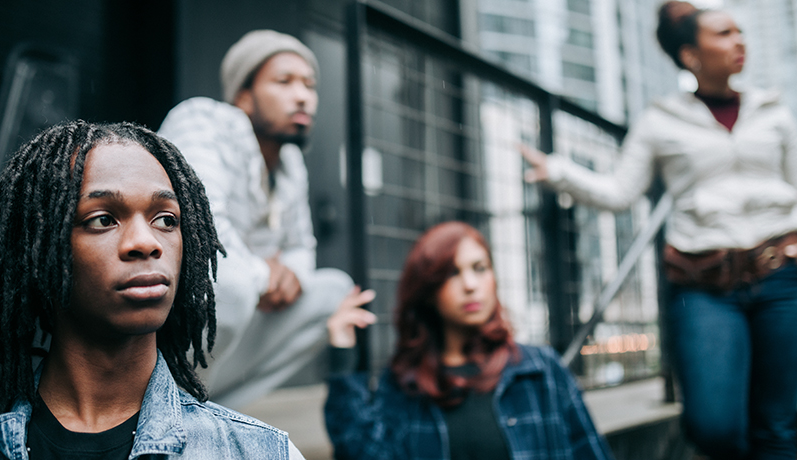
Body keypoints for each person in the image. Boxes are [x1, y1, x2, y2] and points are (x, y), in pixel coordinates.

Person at [0, 121, 304, 459]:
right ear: (39, 250)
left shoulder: (263, 452)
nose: (147, 242)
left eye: (166, 218)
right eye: (103, 219)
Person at [519, 2, 797, 459]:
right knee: (713, 426)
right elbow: (619, 190)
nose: (739, 41)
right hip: (702, 284)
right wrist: (558, 172)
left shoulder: (773, 109)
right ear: (690, 55)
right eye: (724, 33)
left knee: (780, 426)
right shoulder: (660, 119)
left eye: (740, 32)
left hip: (780, 278)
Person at [158, 30, 365, 409]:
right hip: (163, 319)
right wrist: (265, 273)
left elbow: (301, 247)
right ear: (243, 96)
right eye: (284, 82)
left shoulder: (289, 163)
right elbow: (204, 229)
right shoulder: (201, 120)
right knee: (229, 284)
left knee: (335, 292)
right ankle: (161, 406)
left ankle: (208, 409)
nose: (303, 95)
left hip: (230, 321)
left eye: (309, 85)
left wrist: (291, 276)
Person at [324, 221, 612, 460]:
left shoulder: (541, 371)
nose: (471, 285)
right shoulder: (405, 384)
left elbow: (592, 453)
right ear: (428, 291)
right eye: (453, 273)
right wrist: (342, 357)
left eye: (480, 268)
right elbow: (360, 453)